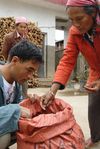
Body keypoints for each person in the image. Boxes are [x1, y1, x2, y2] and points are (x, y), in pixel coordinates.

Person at [40, 0, 100, 148]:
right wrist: (52, 91)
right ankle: (95, 137)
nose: (76, 24)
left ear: (93, 13)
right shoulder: (75, 32)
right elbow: (67, 60)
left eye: (79, 19)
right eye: (72, 20)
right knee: (94, 107)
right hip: (96, 73)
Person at [0, 40, 43, 149]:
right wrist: (16, 110)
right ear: (15, 60)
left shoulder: (16, 84)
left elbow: (16, 106)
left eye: (33, 72)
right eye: (29, 70)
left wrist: (29, 104)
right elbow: (14, 110)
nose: (30, 77)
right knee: (3, 138)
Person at [2, 16, 29, 98]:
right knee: (11, 83)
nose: (23, 29)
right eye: (21, 27)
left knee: (24, 81)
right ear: (16, 27)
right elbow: (4, 52)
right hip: (11, 63)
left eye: (25, 27)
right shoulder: (9, 37)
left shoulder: (25, 38)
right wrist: (10, 62)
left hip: (22, 64)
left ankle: (24, 98)